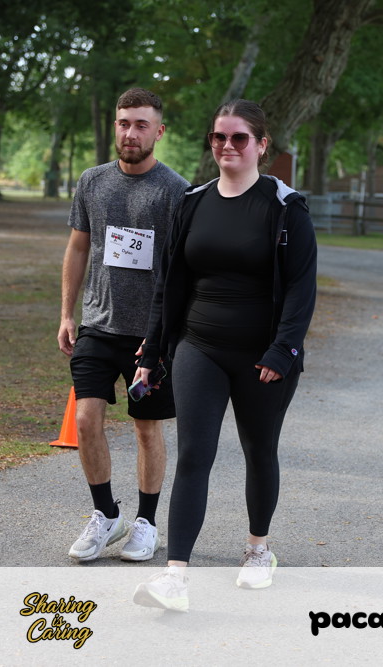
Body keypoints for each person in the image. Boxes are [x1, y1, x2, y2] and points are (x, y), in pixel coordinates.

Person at [132, 99, 317, 611]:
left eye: (239, 137)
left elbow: (302, 289)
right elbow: (169, 283)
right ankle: (175, 576)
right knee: (194, 455)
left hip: (264, 358)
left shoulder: (285, 206)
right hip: (200, 347)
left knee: (260, 450)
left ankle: (258, 550)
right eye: (219, 137)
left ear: (261, 144)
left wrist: (283, 351)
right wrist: (152, 348)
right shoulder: (192, 202)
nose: (227, 145)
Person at [58, 88, 189, 563]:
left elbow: (183, 270)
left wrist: (169, 335)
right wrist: (67, 312)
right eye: (123, 123)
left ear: (159, 131)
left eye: (141, 125)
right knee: (85, 419)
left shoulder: (176, 191)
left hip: (150, 337)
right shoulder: (92, 182)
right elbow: (79, 246)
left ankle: (146, 522)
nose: (130, 133)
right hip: (98, 323)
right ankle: (106, 513)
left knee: (147, 430)